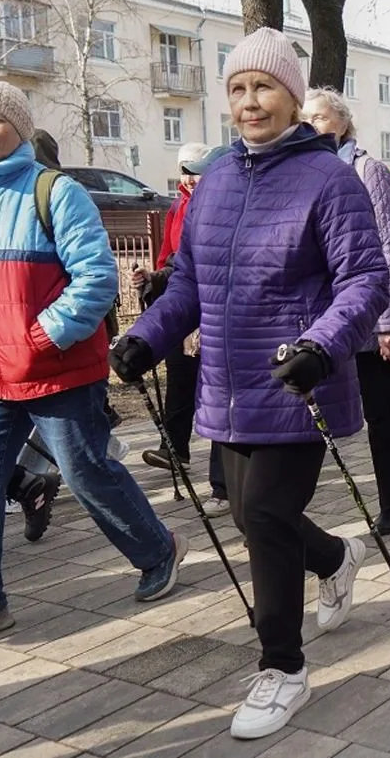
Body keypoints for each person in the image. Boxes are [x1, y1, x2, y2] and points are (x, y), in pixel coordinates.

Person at [111, 28, 389, 739]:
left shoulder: (329, 178)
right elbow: (189, 285)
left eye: (263, 86)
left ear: (292, 97)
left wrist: (322, 345)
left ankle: (283, 667)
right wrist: (147, 336)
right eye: (237, 89)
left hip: (298, 382)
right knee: (248, 512)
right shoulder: (217, 181)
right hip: (226, 385)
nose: (249, 101)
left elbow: (365, 280)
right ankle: (335, 556)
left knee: (264, 513)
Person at [0, 79, 186, 649]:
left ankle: (158, 550)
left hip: (55, 368)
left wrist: (41, 335)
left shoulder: (56, 191)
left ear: (18, 126)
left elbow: (96, 278)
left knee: (87, 473)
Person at [302, 88, 390, 535]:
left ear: (343, 123)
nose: (312, 125)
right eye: (306, 118)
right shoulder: (306, 170)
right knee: (314, 413)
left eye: (321, 117)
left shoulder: (368, 170)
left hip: (368, 317)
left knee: (382, 414)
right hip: (326, 321)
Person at [131, 143, 231, 518]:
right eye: (188, 172)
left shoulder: (241, 214)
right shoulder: (187, 211)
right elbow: (180, 267)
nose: (192, 179)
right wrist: (153, 281)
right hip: (194, 316)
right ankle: (182, 455)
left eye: (199, 173)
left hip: (231, 327)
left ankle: (227, 487)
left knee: (222, 401)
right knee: (189, 384)